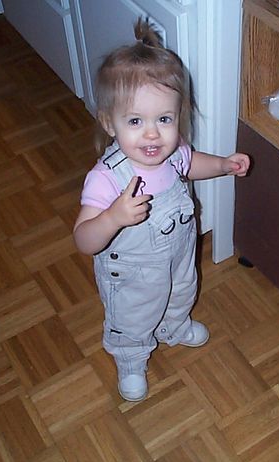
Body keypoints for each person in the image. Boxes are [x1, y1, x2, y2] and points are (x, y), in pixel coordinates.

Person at [73, 19, 250, 402]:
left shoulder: (173, 154)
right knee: (133, 315)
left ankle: (174, 326)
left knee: (182, 289)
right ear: (109, 123)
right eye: (135, 121)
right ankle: (131, 358)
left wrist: (222, 165)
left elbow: (192, 163)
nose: (152, 133)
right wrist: (112, 218)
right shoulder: (106, 178)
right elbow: (84, 240)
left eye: (164, 119)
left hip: (178, 255)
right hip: (132, 273)